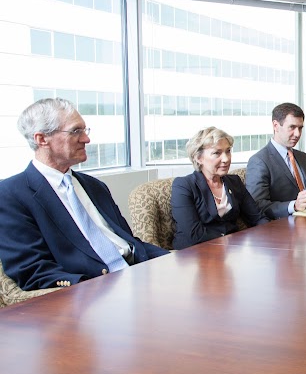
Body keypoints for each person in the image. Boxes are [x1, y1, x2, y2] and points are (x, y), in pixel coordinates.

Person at [0, 98, 169, 291]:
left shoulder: (94, 186)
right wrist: (90, 288)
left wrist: (177, 261)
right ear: (42, 139)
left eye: (84, 130)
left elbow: (129, 243)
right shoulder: (11, 195)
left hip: (139, 276)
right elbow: (32, 270)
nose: (86, 139)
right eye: (75, 131)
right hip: (92, 291)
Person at [171, 127, 269, 250]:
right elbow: (194, 233)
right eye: (217, 153)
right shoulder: (183, 186)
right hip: (194, 252)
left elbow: (257, 217)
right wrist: (231, 239)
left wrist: (270, 233)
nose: (226, 159)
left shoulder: (234, 182)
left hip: (230, 250)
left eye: (228, 151)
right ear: (198, 158)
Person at [246, 102, 306, 220]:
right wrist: (294, 206)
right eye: (292, 127)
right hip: (285, 224)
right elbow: (257, 205)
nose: (297, 134)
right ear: (275, 126)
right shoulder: (259, 161)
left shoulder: (303, 157)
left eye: (300, 128)